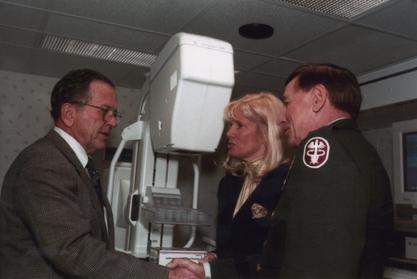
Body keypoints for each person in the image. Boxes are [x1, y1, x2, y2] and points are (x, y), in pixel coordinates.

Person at [167, 63, 393, 279]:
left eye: (288, 103)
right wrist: (210, 271)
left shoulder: (323, 146)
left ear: (317, 98)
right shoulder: (359, 150)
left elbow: (313, 267)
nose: (283, 117)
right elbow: (283, 256)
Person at [0, 69, 167, 279]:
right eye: (104, 111)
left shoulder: (73, 162)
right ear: (69, 113)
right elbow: (74, 251)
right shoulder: (44, 163)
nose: (113, 122)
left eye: (114, 114)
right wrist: (164, 276)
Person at [211, 93, 289, 277]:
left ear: (266, 132)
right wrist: (216, 259)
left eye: (240, 125)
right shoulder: (228, 184)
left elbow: (278, 257)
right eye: (230, 125)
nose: (229, 133)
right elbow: (232, 245)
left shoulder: (286, 183)